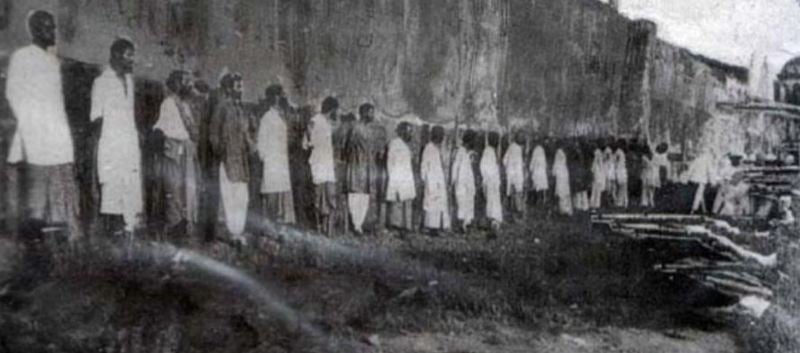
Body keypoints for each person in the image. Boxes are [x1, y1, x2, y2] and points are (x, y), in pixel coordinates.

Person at [6, 10, 83, 240]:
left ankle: (54, 252)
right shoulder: (22, 56)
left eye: (54, 27)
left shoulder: (52, 60)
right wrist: (35, 129)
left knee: (59, 200)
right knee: (35, 203)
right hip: (35, 140)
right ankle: (32, 252)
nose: (54, 32)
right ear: (36, 30)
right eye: (49, 27)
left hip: (57, 140)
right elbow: (14, 94)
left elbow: (56, 104)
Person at [90, 38, 142, 235]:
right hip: (112, 147)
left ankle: (129, 236)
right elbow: (96, 120)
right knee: (112, 194)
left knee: (130, 192)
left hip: (129, 146)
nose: (132, 60)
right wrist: (103, 151)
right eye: (129, 55)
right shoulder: (102, 82)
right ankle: (113, 238)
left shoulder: (129, 81)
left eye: (133, 55)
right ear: (115, 56)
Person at [154, 70, 201, 236]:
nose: (189, 85)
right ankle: (175, 228)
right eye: (185, 81)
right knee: (173, 190)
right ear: (176, 84)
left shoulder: (186, 105)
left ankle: (185, 226)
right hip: (173, 152)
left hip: (186, 152)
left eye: (189, 81)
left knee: (188, 190)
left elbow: (193, 131)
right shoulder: (168, 103)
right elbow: (164, 131)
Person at [208, 72, 252, 242]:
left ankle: (238, 232)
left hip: (241, 161)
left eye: (242, 86)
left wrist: (250, 147)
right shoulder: (222, 107)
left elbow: (246, 134)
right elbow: (213, 134)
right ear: (228, 88)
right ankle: (230, 233)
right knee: (228, 196)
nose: (241, 90)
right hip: (227, 161)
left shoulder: (241, 109)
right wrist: (222, 152)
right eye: (238, 86)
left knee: (242, 196)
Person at [257, 85, 295, 226]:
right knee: (272, 190)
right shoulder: (267, 118)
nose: (281, 98)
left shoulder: (281, 117)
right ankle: (270, 222)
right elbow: (261, 142)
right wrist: (265, 159)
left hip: (281, 160)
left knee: (280, 190)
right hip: (271, 161)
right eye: (279, 95)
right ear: (274, 98)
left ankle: (279, 221)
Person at [304, 97, 338, 235]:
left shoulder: (327, 123)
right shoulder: (315, 120)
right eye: (336, 110)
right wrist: (309, 136)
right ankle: (318, 227)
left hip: (327, 165)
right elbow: (306, 143)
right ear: (332, 109)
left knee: (330, 196)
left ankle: (328, 228)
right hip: (318, 164)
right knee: (318, 197)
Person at [344, 104, 380, 234]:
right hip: (357, 164)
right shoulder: (355, 128)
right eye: (371, 112)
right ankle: (355, 224)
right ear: (364, 113)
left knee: (364, 193)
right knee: (355, 192)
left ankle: (359, 224)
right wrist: (354, 158)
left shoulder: (369, 130)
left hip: (367, 166)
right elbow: (348, 146)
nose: (373, 115)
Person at [385, 122, 416, 232]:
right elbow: (390, 163)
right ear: (403, 132)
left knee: (406, 201)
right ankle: (395, 226)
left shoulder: (405, 146)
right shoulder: (394, 144)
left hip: (406, 177)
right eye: (409, 132)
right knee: (397, 202)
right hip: (397, 177)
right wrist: (394, 178)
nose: (411, 134)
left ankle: (405, 226)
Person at [421, 125, 451, 234]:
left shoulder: (437, 149)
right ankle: (431, 227)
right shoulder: (428, 148)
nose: (442, 138)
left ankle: (438, 226)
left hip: (438, 180)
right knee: (432, 203)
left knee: (439, 204)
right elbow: (424, 166)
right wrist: (425, 180)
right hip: (431, 181)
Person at [451, 129, 477, 232]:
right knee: (461, 201)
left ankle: (468, 223)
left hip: (469, 181)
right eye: (473, 140)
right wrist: (453, 181)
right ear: (469, 141)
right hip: (461, 181)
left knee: (469, 200)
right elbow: (455, 166)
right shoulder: (460, 151)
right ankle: (461, 224)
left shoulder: (469, 153)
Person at [481, 132, 503, 227]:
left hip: (493, 181)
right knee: (492, 201)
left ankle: (493, 220)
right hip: (490, 181)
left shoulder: (491, 151)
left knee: (493, 201)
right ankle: (492, 220)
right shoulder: (488, 151)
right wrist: (487, 178)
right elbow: (483, 166)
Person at [503, 131, 526, 219]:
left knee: (510, 192)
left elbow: (504, 160)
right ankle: (518, 211)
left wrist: (508, 169)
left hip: (510, 172)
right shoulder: (518, 149)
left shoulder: (511, 146)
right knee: (518, 192)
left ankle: (510, 210)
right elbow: (518, 164)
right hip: (516, 173)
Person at [553, 145, 572, 215]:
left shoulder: (558, 154)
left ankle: (563, 210)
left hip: (561, 177)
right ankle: (566, 209)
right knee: (565, 193)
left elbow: (554, 171)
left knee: (562, 194)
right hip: (564, 175)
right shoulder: (563, 157)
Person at [529, 138, 549, 206]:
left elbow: (533, 160)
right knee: (542, 185)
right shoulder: (542, 149)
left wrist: (531, 168)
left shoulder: (536, 150)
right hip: (542, 169)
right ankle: (544, 199)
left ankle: (538, 200)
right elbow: (544, 160)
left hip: (537, 170)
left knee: (537, 185)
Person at [590, 141, 606, 209]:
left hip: (597, 172)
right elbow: (599, 163)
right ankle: (596, 203)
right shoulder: (598, 152)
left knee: (595, 189)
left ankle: (594, 203)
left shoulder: (597, 152)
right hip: (598, 172)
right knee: (596, 189)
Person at [614, 140, 629, 208]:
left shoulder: (619, 152)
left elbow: (615, 162)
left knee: (621, 187)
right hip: (621, 171)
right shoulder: (620, 152)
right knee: (622, 187)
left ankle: (621, 202)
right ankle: (623, 202)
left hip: (621, 171)